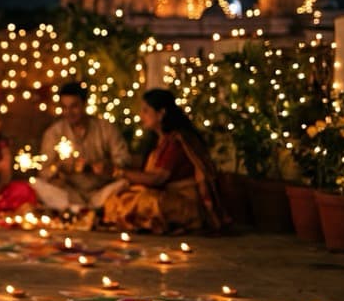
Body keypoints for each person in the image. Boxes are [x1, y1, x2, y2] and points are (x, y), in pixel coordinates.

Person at [102, 88, 229, 234]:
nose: (141, 115)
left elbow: (157, 178)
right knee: (118, 197)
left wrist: (118, 172)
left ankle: (155, 223)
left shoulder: (177, 141)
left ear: (161, 113)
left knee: (146, 201)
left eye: (146, 111)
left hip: (183, 202)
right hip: (163, 195)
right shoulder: (158, 140)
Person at [32, 82, 132, 217]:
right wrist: (60, 168)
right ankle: (83, 210)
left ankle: (83, 211)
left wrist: (106, 167)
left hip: (101, 192)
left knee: (124, 183)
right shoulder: (53, 133)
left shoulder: (105, 128)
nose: (69, 112)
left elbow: (124, 159)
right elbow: (44, 172)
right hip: (69, 193)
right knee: (37, 185)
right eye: (64, 107)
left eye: (74, 107)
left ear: (84, 104)